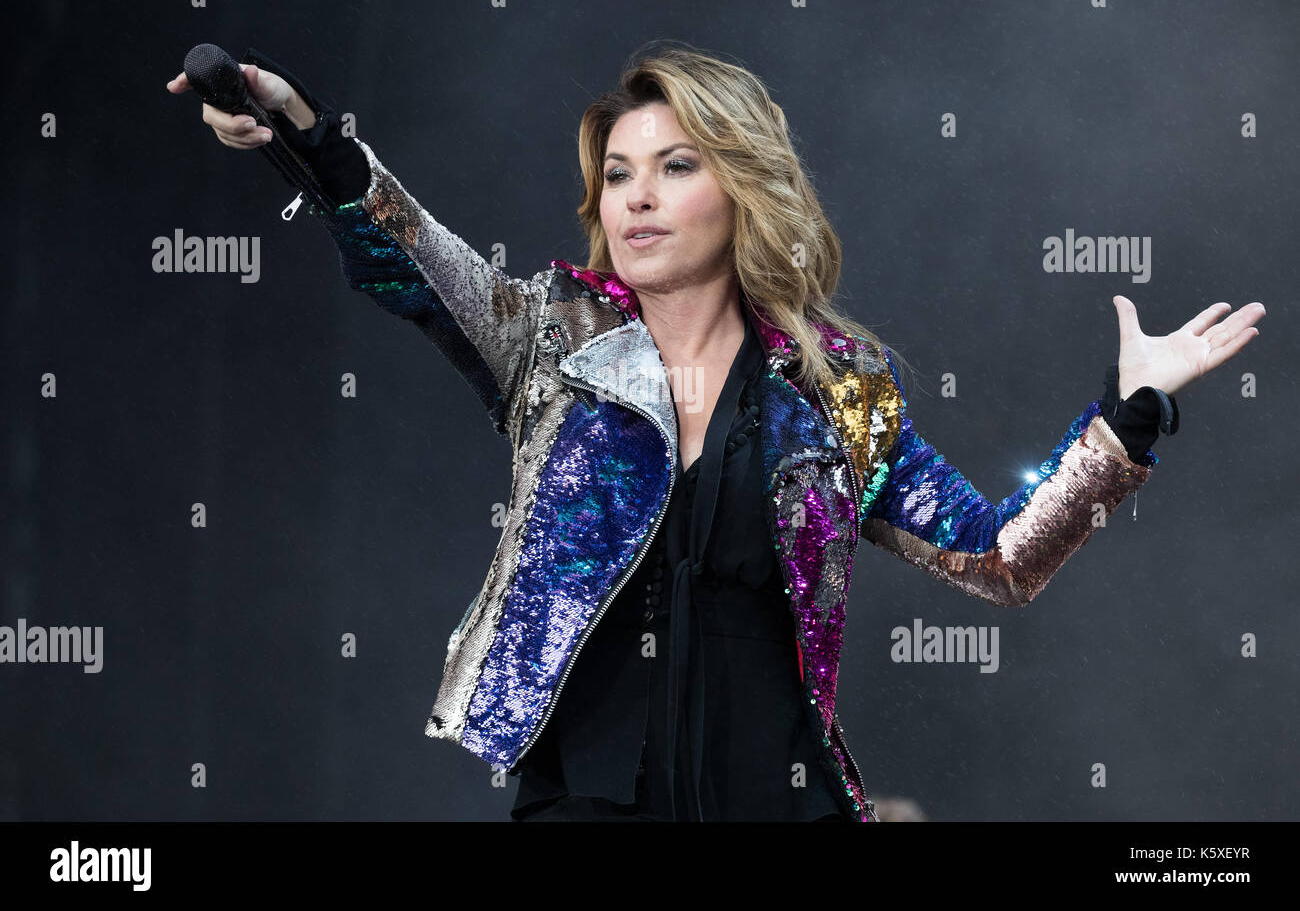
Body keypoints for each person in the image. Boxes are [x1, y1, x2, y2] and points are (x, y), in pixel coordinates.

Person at [167, 41, 1265, 822]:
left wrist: (1132, 416)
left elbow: (996, 559)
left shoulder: (839, 393)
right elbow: (416, 254)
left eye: (675, 165)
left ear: (739, 189)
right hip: (584, 801)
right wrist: (306, 135)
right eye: (617, 173)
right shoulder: (553, 344)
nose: (636, 196)